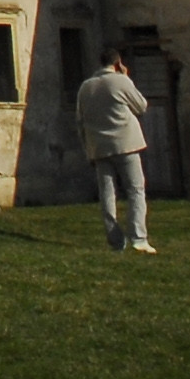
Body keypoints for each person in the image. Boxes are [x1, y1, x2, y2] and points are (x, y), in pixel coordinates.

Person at [75, 48, 155, 254]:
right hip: (126, 144)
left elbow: (80, 121)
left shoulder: (86, 87)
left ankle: (115, 240)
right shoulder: (121, 81)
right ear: (118, 64)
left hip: (99, 147)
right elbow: (141, 106)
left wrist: (88, 149)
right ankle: (138, 238)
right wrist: (125, 78)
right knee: (135, 190)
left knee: (107, 195)